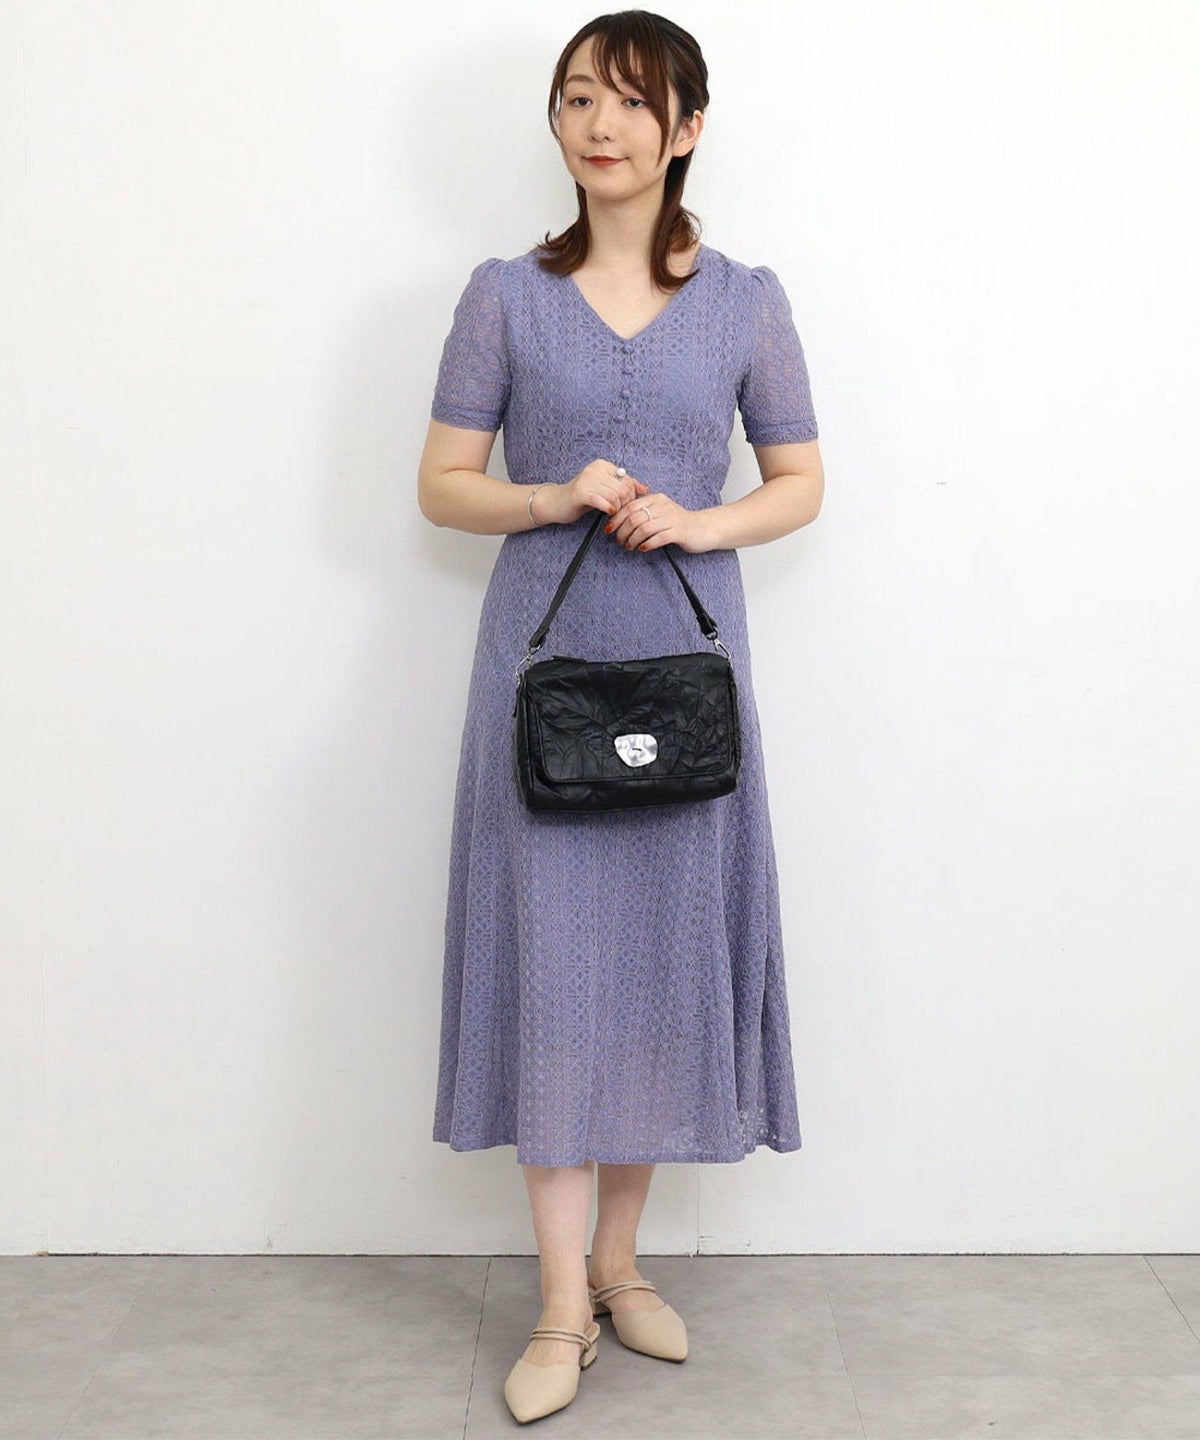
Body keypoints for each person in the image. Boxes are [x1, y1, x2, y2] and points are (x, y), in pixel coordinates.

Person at [417, 9, 824, 1424]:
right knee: (556, 965)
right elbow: (441, 485)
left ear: (687, 129)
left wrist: (699, 519)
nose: (602, 125)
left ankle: (620, 1267)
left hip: (685, 673)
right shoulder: (503, 297)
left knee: (656, 962)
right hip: (542, 676)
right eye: (580, 97)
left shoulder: (747, 300)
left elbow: (801, 481)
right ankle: (554, 1306)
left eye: (635, 102)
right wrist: (554, 493)